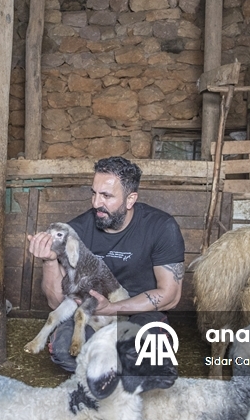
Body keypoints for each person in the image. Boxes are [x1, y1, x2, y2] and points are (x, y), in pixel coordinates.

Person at [27, 156, 186, 371]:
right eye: (93, 193)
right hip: (91, 313)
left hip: (140, 311)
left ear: (130, 199)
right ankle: (99, 384)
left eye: (106, 196)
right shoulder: (77, 231)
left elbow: (171, 296)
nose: (95, 203)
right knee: (64, 350)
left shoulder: (161, 227)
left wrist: (112, 308)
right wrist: (49, 261)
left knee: (150, 352)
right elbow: (56, 302)